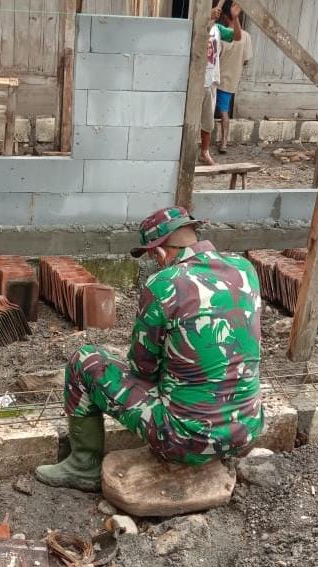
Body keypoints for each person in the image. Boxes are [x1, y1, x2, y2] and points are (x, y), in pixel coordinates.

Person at [35, 207, 264, 492]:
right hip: (247, 430)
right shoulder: (244, 269)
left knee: (85, 360)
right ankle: (224, 446)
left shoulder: (165, 284)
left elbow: (144, 369)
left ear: (159, 253)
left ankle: (83, 466)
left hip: (185, 440)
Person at [200, 0, 242, 166]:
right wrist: (205, 17)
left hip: (211, 80)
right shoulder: (195, 24)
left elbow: (237, 37)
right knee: (189, 120)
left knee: (207, 121)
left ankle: (204, 152)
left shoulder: (217, 29)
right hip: (195, 81)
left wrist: (236, 18)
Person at [216, 2, 252, 154]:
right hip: (231, 79)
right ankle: (224, 142)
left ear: (224, 16)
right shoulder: (246, 37)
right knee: (224, 110)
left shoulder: (220, 34)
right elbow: (246, 59)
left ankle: (214, 141)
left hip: (216, 76)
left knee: (211, 108)